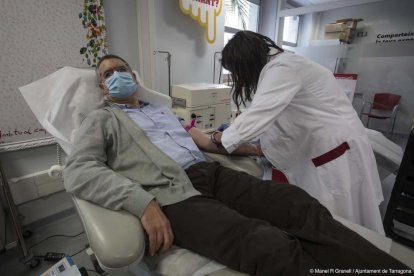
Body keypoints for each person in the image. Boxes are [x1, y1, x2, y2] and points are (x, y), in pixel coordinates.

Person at [63, 54, 408, 275]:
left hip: (211, 174)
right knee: (266, 243)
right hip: (171, 195)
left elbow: (203, 140)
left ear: (134, 76)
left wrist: (254, 149)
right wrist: (142, 202)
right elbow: (79, 170)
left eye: (121, 69)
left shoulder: (162, 110)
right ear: (103, 88)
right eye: (107, 74)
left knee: (299, 205)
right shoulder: (102, 120)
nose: (116, 75)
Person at [214, 30, 384, 234]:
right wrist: (255, 143)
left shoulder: (283, 67)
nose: (239, 77)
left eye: (238, 71)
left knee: (342, 220)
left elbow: (260, 113)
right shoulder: (281, 66)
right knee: (341, 216)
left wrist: (221, 138)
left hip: (333, 150)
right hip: (328, 143)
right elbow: (284, 116)